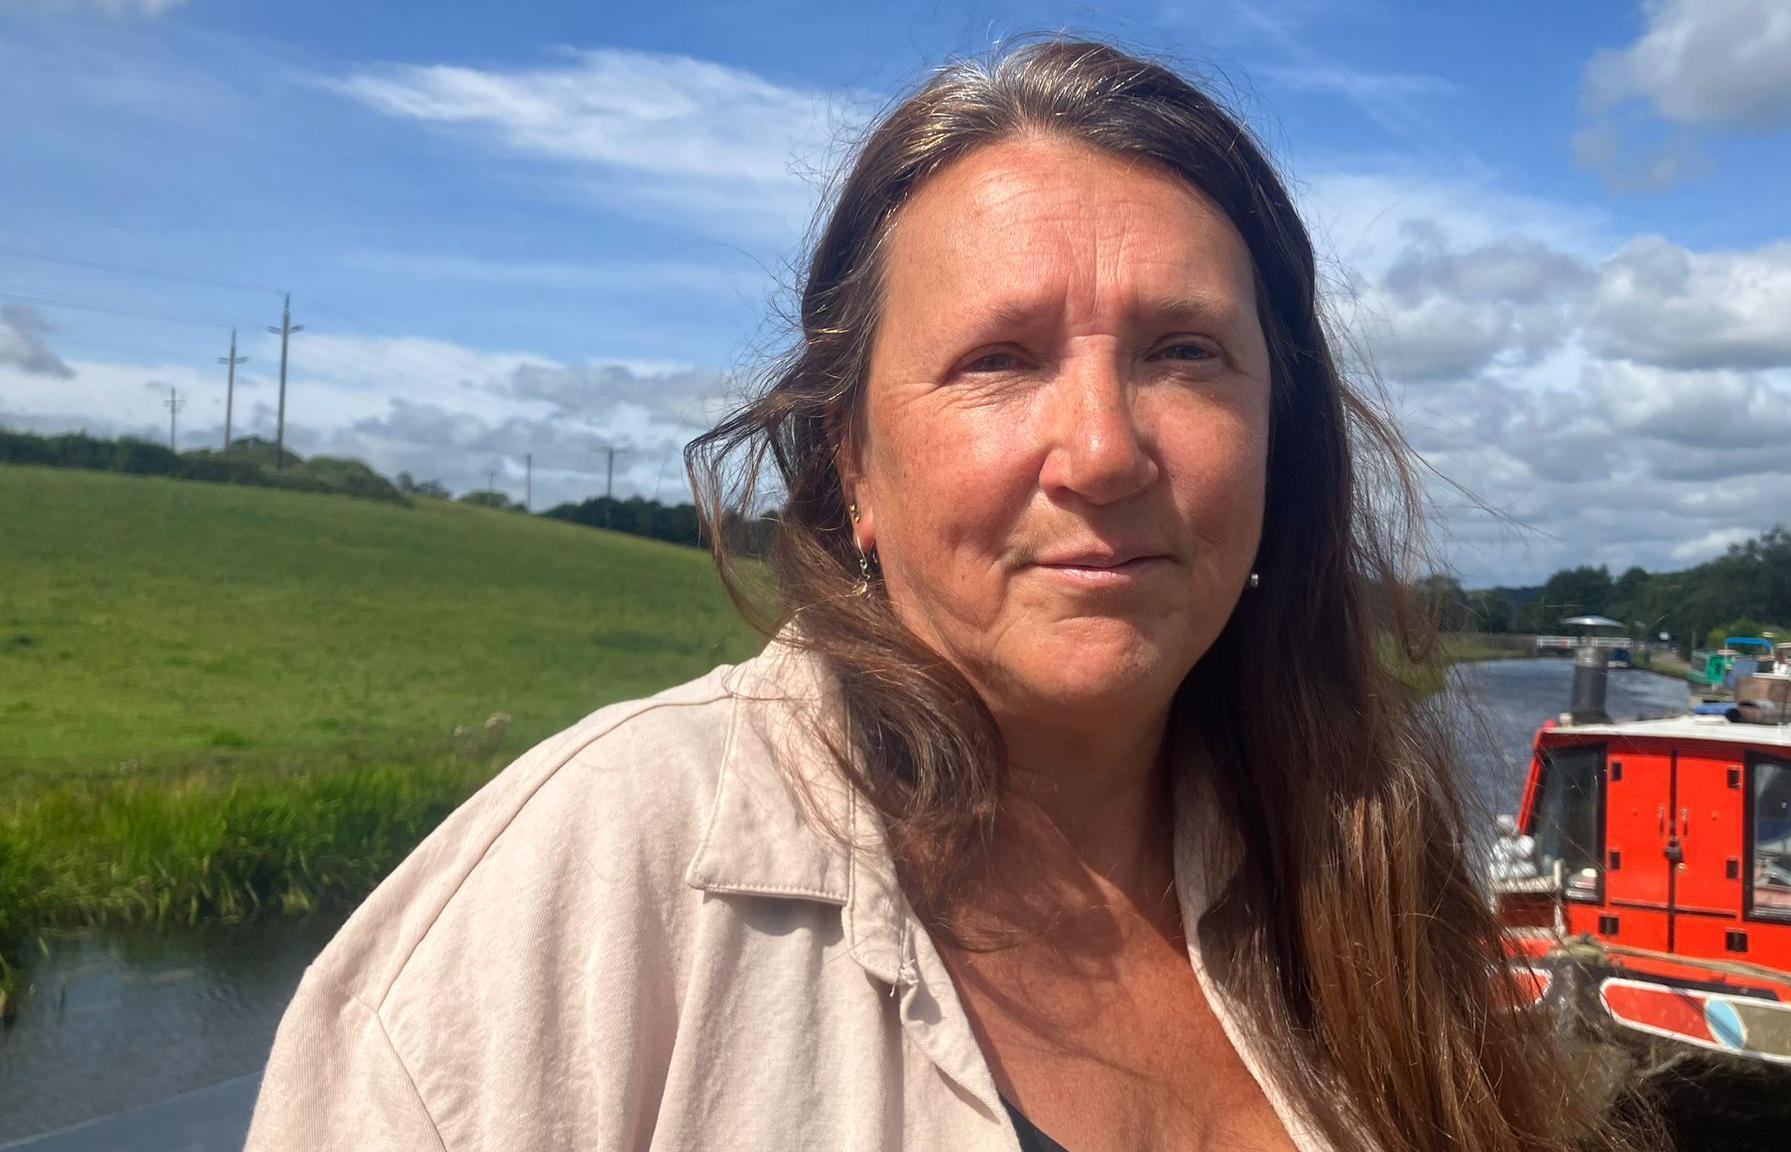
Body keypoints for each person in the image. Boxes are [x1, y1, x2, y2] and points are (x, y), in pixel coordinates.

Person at [246, 38, 1618, 1152]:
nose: (1101, 451)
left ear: (1281, 440)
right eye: (998, 361)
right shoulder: (598, 882)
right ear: (854, 463)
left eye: (1186, 351)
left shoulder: (1368, 870)